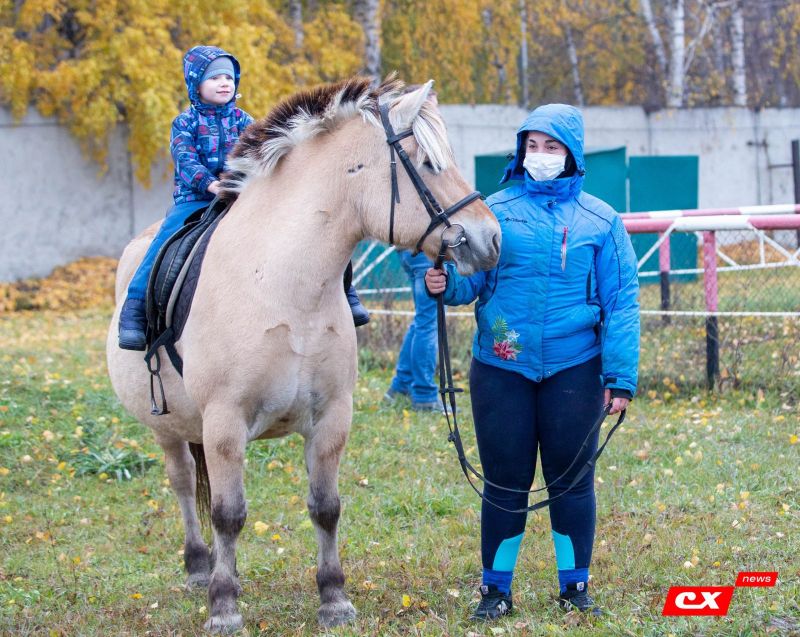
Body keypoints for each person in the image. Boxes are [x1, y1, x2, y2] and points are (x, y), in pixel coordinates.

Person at [425, 104, 639, 619]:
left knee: (572, 482)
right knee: (504, 483)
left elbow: (622, 302)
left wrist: (620, 377)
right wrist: (446, 283)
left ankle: (575, 589)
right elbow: (472, 281)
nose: (540, 155)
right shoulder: (494, 210)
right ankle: (495, 592)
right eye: (532, 145)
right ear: (521, 151)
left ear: (572, 153)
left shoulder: (602, 221)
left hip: (575, 368)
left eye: (552, 146)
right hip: (502, 370)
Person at [116, 45, 372, 349]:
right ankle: (135, 310)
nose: (224, 83)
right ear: (196, 84)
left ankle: (346, 292)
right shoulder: (184, 123)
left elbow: (260, 153)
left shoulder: (244, 120)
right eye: (214, 78)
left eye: (228, 77)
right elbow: (185, 160)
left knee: (310, 229)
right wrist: (210, 184)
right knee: (165, 241)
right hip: (196, 199)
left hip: (242, 197)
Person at [383, 250, 442, 412]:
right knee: (427, 323)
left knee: (422, 320)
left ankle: (401, 386)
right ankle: (425, 395)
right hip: (427, 252)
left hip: (407, 250)